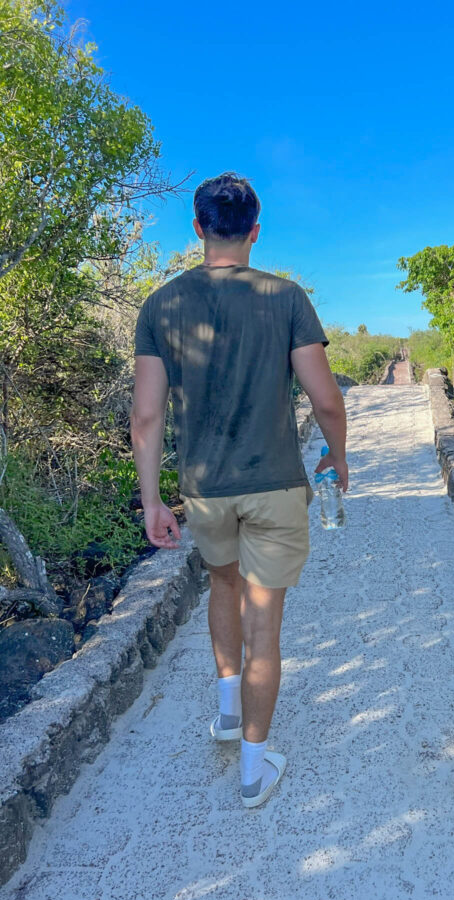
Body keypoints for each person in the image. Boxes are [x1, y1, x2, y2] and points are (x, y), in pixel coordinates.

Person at [130, 171, 348, 808]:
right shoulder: (287, 298)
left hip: (204, 490)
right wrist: (337, 456)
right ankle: (254, 769)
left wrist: (153, 501)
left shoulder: (162, 306)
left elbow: (145, 417)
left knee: (221, 585)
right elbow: (325, 400)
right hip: (276, 486)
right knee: (267, 629)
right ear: (255, 231)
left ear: (198, 228)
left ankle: (228, 713)